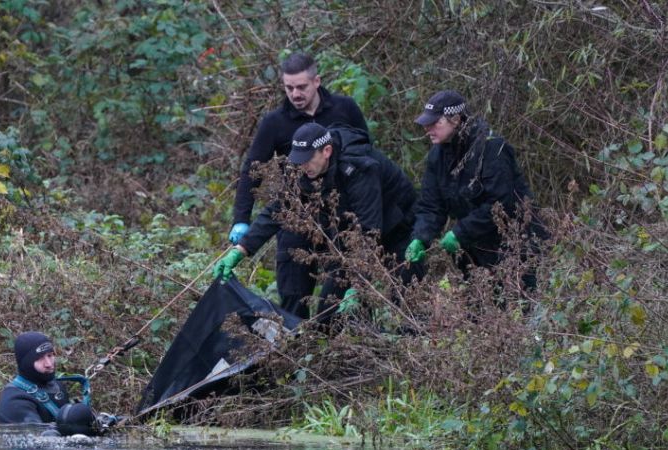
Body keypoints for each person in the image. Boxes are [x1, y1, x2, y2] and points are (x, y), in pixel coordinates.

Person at [215, 122, 420, 320]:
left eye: (307, 159)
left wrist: (357, 285)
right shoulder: (304, 169)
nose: (303, 166)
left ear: (327, 151)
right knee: (329, 316)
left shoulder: (358, 169)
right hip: (349, 238)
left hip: (397, 228)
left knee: (407, 299)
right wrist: (241, 249)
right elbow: (278, 209)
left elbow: (369, 231)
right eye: (299, 160)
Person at [228, 52, 370, 318]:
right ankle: (297, 351)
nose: (295, 93)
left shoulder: (344, 108)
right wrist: (241, 219)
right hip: (296, 213)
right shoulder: (275, 123)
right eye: (288, 87)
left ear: (316, 81)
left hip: (341, 214)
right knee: (293, 293)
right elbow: (252, 171)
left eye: (301, 86)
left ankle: (351, 347)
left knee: (341, 292)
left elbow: (366, 156)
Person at [404, 90, 546, 292]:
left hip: (517, 245)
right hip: (475, 251)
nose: (428, 128)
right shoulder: (437, 155)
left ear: (455, 119)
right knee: (480, 311)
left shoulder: (492, 148)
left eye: (435, 123)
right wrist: (421, 236)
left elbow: (501, 203)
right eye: (427, 123)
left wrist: (460, 232)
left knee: (523, 306)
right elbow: (431, 205)